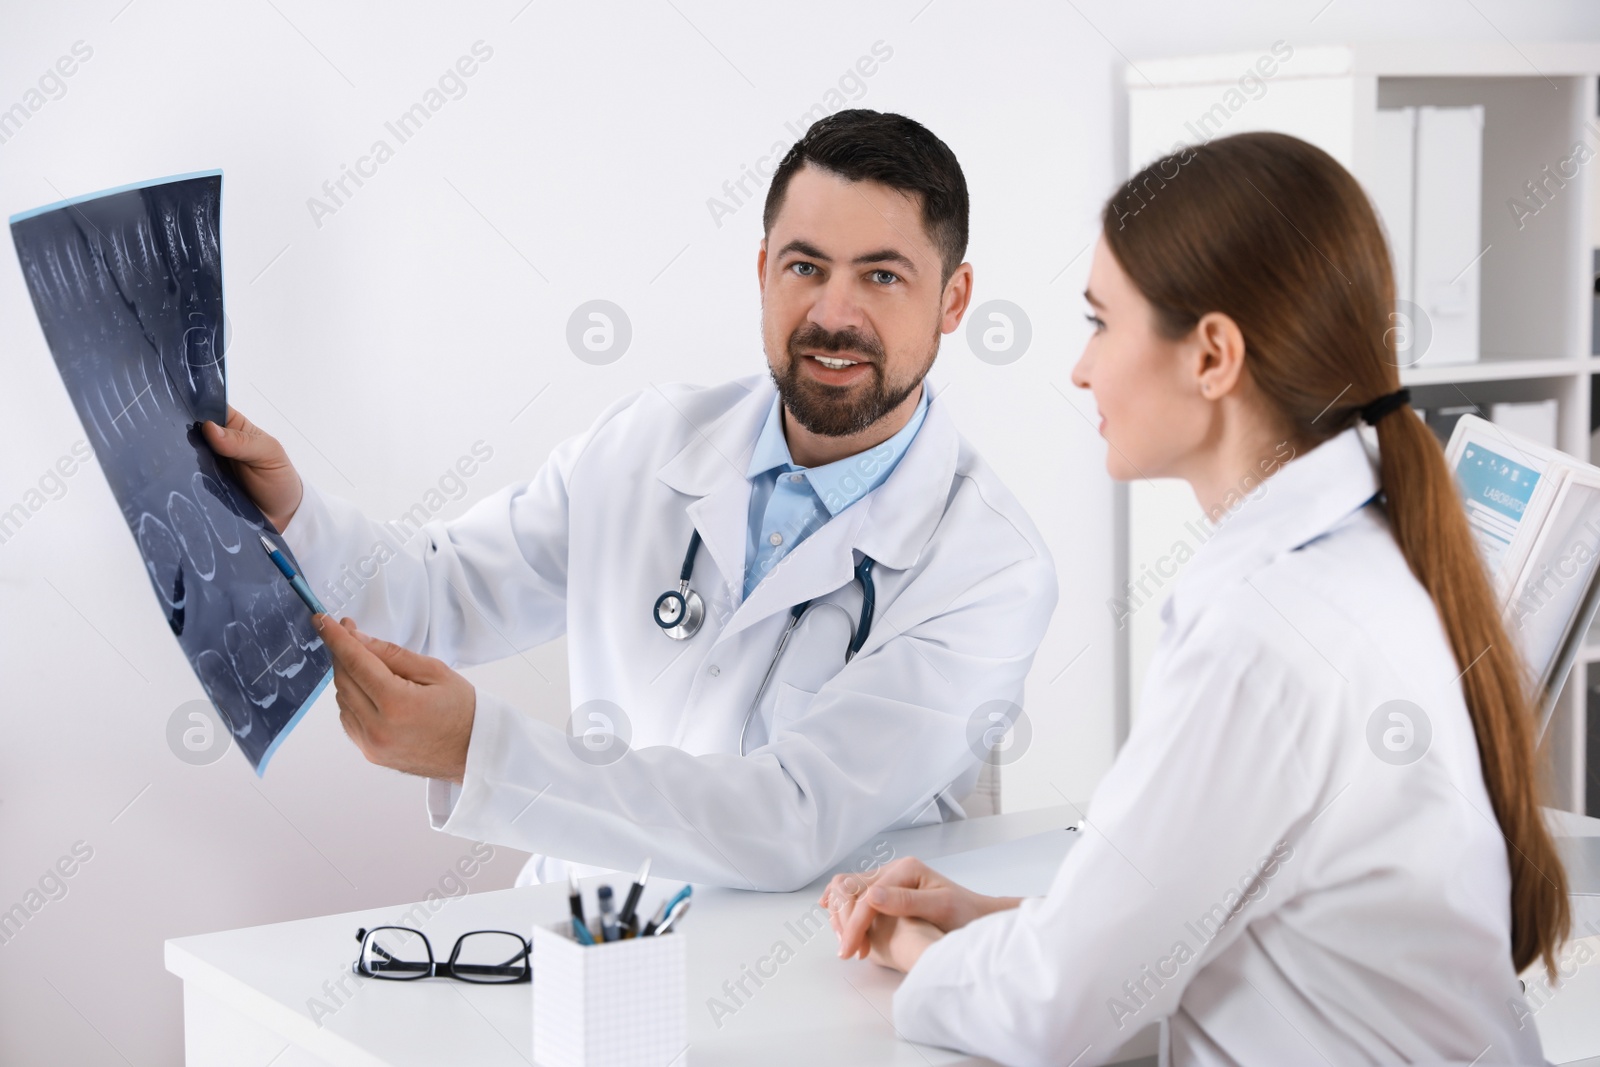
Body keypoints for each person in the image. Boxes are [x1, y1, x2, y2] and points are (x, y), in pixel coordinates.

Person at [821, 131, 1570, 1065]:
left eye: (1100, 322)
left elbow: (1054, 1013)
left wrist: (917, 953)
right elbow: (1246, 916)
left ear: (1212, 354)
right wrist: (1001, 921)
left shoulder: (1270, 627)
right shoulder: (1370, 551)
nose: (1081, 369)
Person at [204, 109, 1058, 891]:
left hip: (802, 996)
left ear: (953, 300)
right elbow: (443, 589)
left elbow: (789, 819)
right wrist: (291, 515)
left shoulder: (989, 567)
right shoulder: (653, 440)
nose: (833, 314)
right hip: (580, 941)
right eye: (805, 266)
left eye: (882, 276)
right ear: (763, 270)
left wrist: (480, 749)